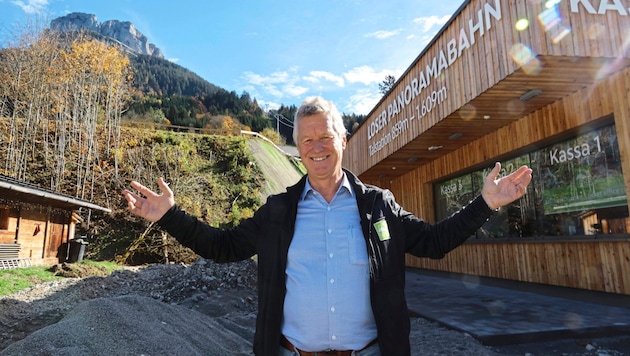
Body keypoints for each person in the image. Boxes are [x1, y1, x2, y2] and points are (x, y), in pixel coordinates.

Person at [122, 96, 533, 356]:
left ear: (343, 138)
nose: (316, 148)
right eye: (306, 141)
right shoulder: (279, 210)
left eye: (325, 137)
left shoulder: (377, 205)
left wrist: (485, 203)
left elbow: (434, 242)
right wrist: (169, 216)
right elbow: (223, 246)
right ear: (298, 149)